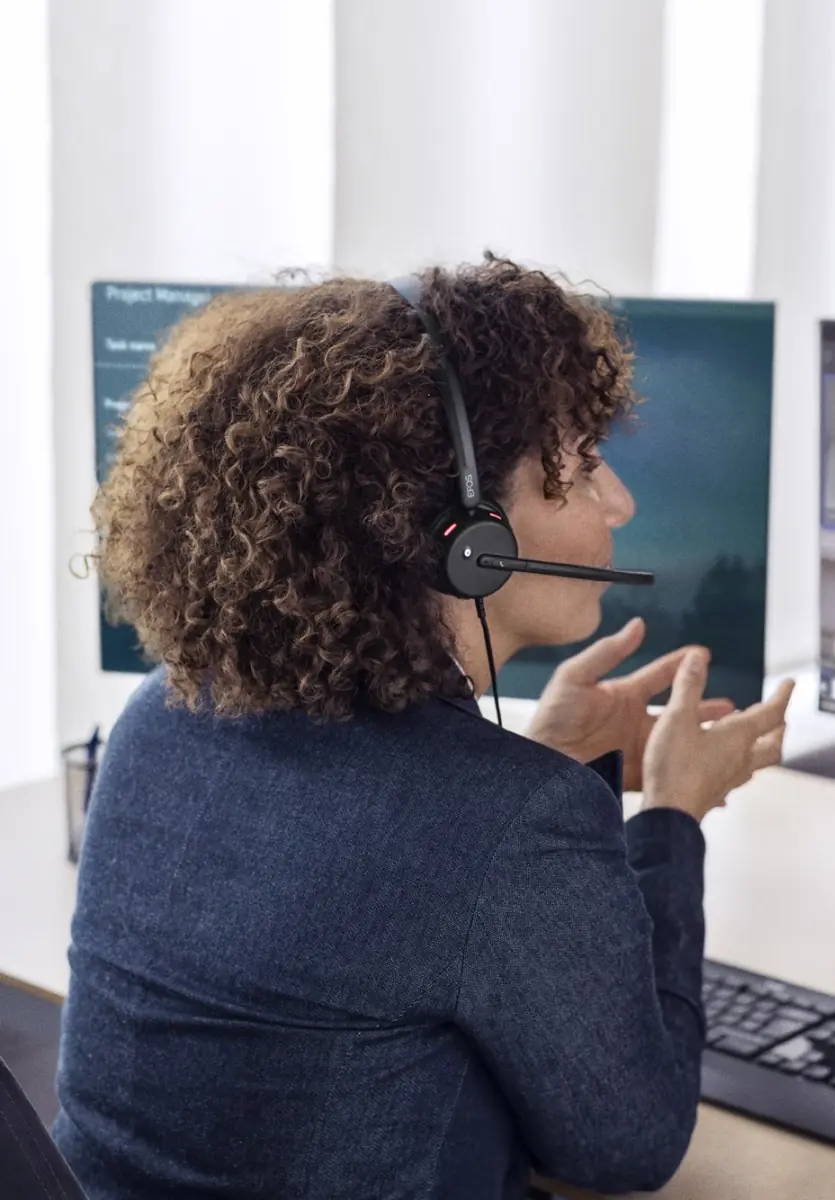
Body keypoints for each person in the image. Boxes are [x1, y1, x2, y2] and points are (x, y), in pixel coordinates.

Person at [53, 258, 794, 1200]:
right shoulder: (508, 822)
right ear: (467, 534)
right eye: (580, 464)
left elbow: (385, 887)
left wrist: (551, 761)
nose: (621, 503)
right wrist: (672, 820)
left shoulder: (161, 716)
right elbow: (630, 1146)